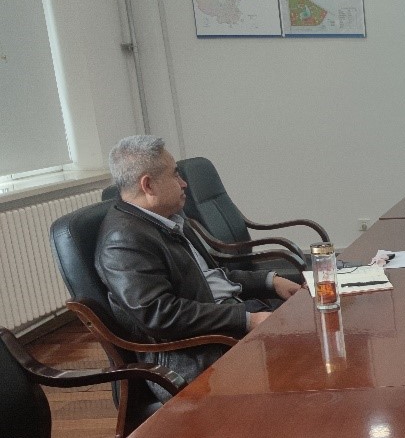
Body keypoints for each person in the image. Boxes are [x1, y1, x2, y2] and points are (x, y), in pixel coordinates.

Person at [95, 135, 302, 390]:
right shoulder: (123, 241)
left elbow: (209, 276)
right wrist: (246, 319)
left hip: (222, 324)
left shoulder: (168, 218)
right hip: (194, 355)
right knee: (306, 360)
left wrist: (272, 282)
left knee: (312, 325)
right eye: (175, 175)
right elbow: (161, 314)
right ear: (148, 185)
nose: (184, 183)